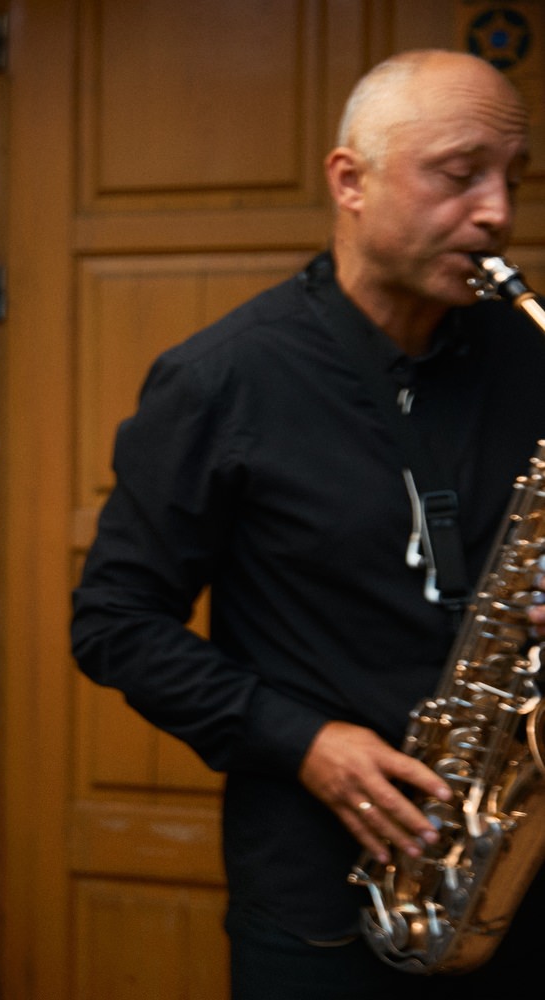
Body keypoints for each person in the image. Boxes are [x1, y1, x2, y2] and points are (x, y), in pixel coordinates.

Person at [71, 49, 540, 999]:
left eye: (512, 178)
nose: (496, 210)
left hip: (517, 889)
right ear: (349, 180)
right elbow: (115, 623)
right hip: (319, 896)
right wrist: (304, 741)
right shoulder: (222, 379)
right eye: (459, 175)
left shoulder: (527, 358)